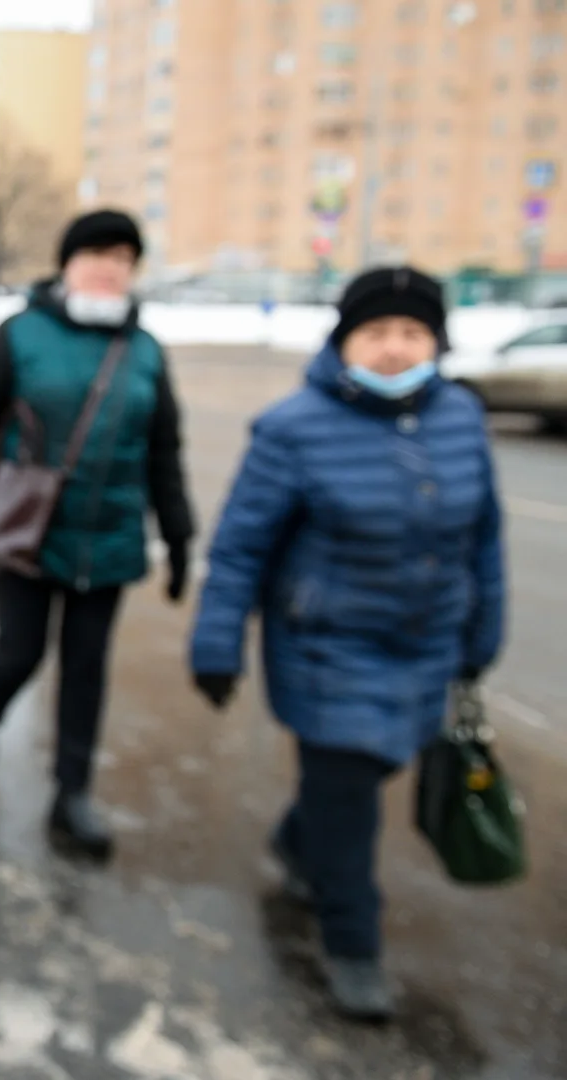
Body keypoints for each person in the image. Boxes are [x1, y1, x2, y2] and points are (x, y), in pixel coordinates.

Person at [188, 266, 505, 1022]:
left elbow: (484, 537)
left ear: (436, 341)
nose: (395, 348)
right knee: (352, 793)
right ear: (344, 340)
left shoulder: (462, 416)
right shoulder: (293, 427)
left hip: (427, 644)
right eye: (377, 332)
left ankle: (300, 842)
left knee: (370, 771)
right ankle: (352, 943)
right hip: (327, 649)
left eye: (412, 332)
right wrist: (217, 642)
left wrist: (483, 630)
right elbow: (239, 548)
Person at [0, 208, 194, 861]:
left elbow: (165, 452)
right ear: (67, 263)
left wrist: (180, 537)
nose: (109, 267)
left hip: (111, 539)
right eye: (97, 253)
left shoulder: (146, 351)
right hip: (28, 531)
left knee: (87, 667)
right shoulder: (20, 335)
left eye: (123, 258)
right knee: (21, 650)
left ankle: (72, 793)